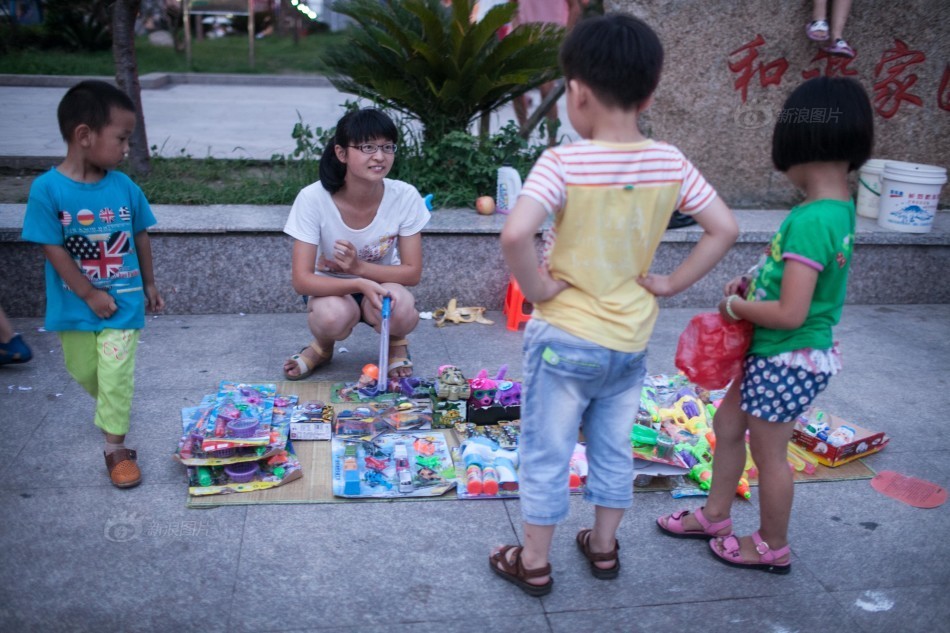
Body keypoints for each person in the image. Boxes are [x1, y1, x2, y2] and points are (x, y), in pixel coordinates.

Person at [491, 14, 739, 596]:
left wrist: (538, 290)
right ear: (649, 92)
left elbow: (513, 235)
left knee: (547, 453)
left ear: (576, 93)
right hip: (628, 342)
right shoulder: (670, 162)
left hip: (564, 339)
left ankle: (533, 561)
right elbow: (723, 228)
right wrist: (672, 283)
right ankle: (602, 549)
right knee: (612, 449)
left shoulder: (563, 162)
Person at [656, 76, 874, 574]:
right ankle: (715, 516)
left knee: (769, 452)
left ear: (800, 143)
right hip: (779, 351)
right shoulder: (835, 211)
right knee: (727, 424)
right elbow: (795, 288)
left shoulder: (813, 220)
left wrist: (736, 309)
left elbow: (791, 312)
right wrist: (754, 288)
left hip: (786, 351)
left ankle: (772, 543)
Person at [20, 79, 165, 488]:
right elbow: (53, 248)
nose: (126, 149)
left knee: (116, 372)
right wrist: (88, 293)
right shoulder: (47, 190)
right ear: (84, 135)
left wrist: (150, 282)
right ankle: (110, 409)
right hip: (73, 306)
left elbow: (139, 235)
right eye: (121, 138)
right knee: (84, 370)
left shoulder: (124, 187)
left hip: (124, 304)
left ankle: (115, 448)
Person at [282, 108, 430, 382]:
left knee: (401, 310)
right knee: (333, 317)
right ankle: (322, 348)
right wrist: (358, 282)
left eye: (387, 147)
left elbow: (412, 273)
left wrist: (358, 267)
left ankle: (396, 341)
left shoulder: (405, 196)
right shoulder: (313, 198)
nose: (379, 156)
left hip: (385, 286)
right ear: (341, 153)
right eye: (368, 147)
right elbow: (302, 281)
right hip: (330, 289)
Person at [511, 0, 582, 145]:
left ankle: (552, 140)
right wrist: (516, 27)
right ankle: (523, 132)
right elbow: (512, 7)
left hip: (551, 37)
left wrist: (565, 35)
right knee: (515, 88)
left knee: (546, 88)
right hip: (525, 37)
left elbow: (575, 7)